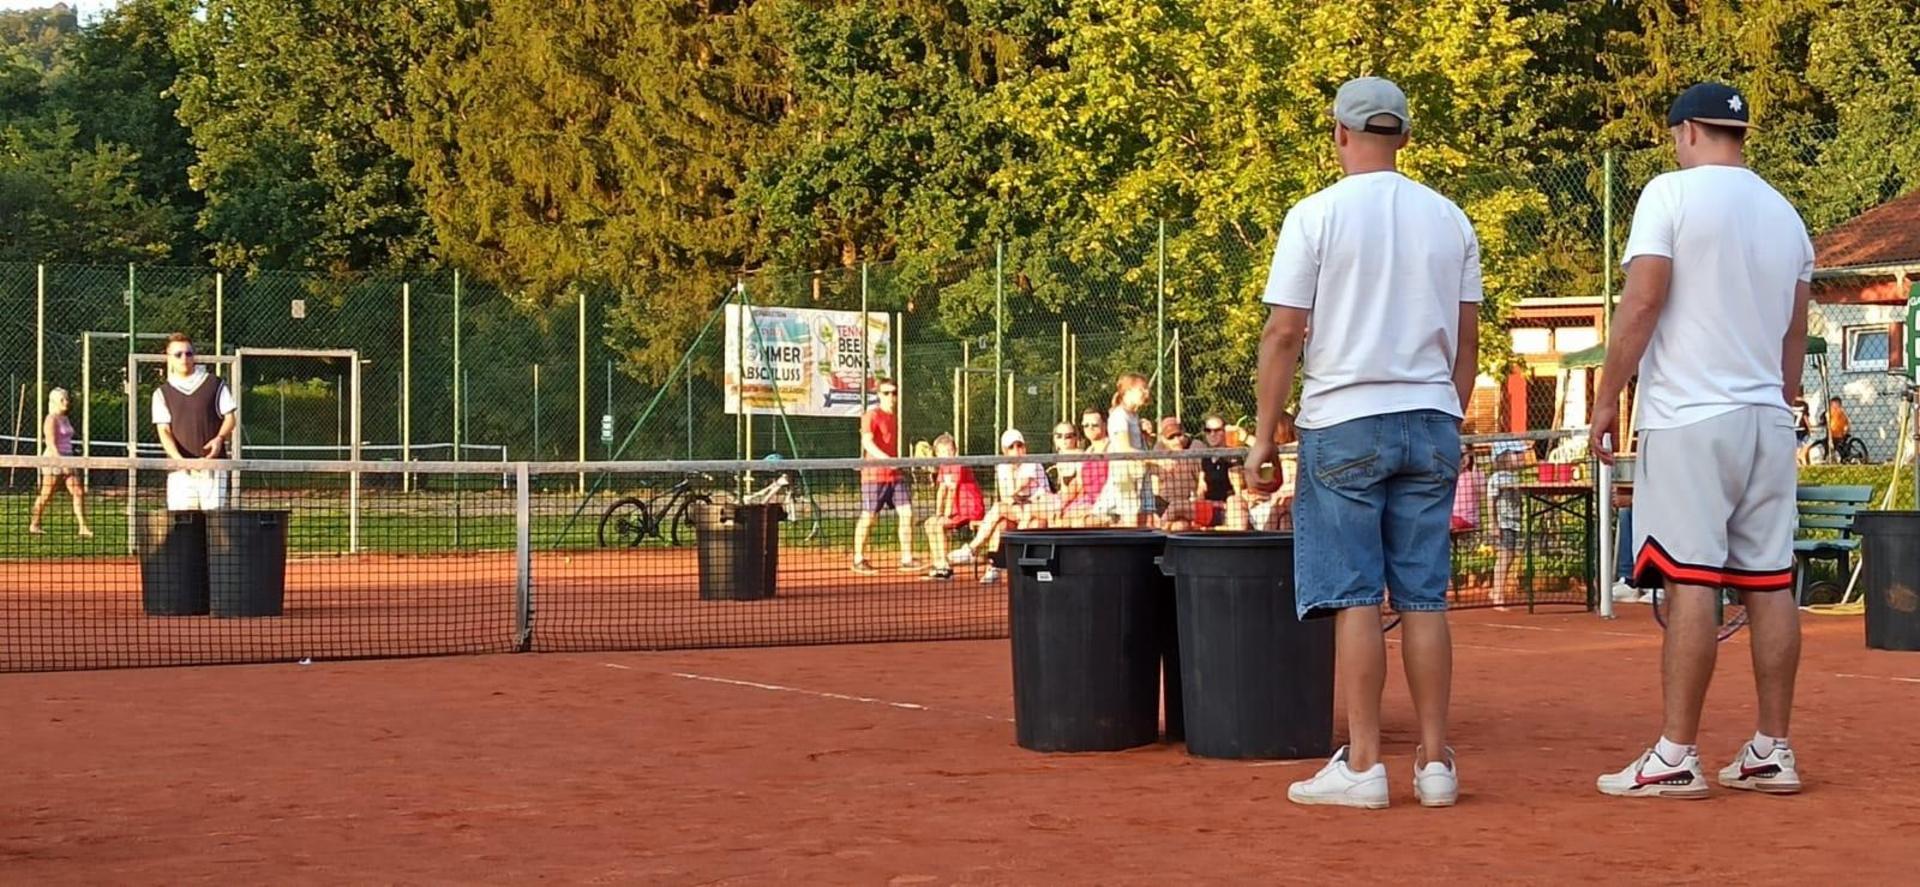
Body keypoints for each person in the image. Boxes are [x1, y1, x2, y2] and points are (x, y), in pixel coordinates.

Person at [1245, 77, 1481, 809]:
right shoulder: (1451, 219)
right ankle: (1437, 764)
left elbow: (1285, 333)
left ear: (1340, 133)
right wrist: (1447, 412)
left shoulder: (1313, 215)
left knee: (1354, 595)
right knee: (1424, 597)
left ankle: (1367, 763)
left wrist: (1262, 440)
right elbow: (1467, 343)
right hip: (1431, 418)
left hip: (1344, 418)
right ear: (1404, 137)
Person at [1589, 83, 1813, 799]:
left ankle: (1676, 753)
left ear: (1687, 132)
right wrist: (1779, 401)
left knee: (1692, 576)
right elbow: (1795, 333)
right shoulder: (1787, 214)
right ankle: (1772, 749)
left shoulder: (1670, 194)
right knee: (1770, 581)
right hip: (1767, 419)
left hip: (1690, 414)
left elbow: (1644, 299)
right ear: (1738, 134)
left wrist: (1604, 398)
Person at [949, 429, 1052, 583]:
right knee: (1001, 524)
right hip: (1019, 510)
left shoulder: (1032, 463)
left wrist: (1012, 481)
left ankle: (973, 549)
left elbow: (1015, 489)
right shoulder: (1002, 467)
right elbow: (1007, 498)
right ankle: (993, 567)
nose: (1017, 451)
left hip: (1040, 509)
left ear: (1025, 447)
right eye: (1011, 448)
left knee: (1022, 519)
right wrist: (1009, 471)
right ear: (1004, 451)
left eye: (1020, 446)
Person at [152, 333, 237, 512]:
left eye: (188, 353)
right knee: (183, 527)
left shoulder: (215, 384)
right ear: (168, 358)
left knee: (216, 524)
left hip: (213, 468)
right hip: (180, 472)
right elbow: (164, 431)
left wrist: (219, 439)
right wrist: (179, 461)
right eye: (178, 354)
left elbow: (230, 418)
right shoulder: (161, 393)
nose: (184, 358)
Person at [852, 381, 917, 575]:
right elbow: (867, 443)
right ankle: (858, 558)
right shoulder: (871, 415)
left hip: (894, 476)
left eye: (894, 393)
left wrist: (894, 463)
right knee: (869, 517)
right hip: (874, 476)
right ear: (879, 395)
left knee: (907, 514)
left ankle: (906, 559)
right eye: (887, 393)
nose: (891, 397)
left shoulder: (894, 418)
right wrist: (887, 460)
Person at [28, 387, 92, 537]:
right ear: (55, 402)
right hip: (53, 460)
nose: (66, 402)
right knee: (47, 494)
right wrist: (61, 464)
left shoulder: (65, 418)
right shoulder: (51, 419)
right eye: (62, 399)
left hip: (68, 457)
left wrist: (69, 459)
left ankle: (83, 527)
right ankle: (34, 524)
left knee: (78, 492)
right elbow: (51, 443)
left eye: (67, 399)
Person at [1091, 374, 1151, 527]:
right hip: (1124, 476)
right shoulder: (1119, 416)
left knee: (1143, 516)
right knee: (1129, 515)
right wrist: (1156, 459)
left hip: (1138, 473)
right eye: (1141, 389)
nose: (1146, 393)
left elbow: (1138, 446)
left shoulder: (1135, 416)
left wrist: (1144, 434)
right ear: (1128, 391)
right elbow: (1125, 449)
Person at [922, 433, 985, 581]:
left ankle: (945, 568)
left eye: (950, 451)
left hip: (970, 508)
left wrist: (947, 513)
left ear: (955, 451)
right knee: (929, 523)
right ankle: (939, 563)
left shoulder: (959, 463)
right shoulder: (944, 467)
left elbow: (953, 489)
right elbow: (942, 490)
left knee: (939, 525)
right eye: (943, 452)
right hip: (957, 510)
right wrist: (938, 513)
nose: (947, 455)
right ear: (937, 454)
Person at [1485, 444, 1526, 607]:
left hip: (1514, 522)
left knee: (1509, 556)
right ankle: (1498, 595)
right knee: (1505, 556)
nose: (1521, 456)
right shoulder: (1497, 478)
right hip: (1504, 522)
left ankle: (1496, 590)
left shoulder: (1513, 477)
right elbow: (1491, 501)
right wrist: (1493, 523)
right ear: (1504, 457)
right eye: (1516, 453)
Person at [1055, 409, 1109, 526]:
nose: (1090, 428)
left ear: (1104, 425)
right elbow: (1078, 482)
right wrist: (1062, 505)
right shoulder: (1089, 452)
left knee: (1078, 523)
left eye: (1094, 424)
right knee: (1058, 521)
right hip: (1086, 502)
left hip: (1105, 504)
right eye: (1085, 425)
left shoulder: (1113, 448)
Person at [1150, 416, 1200, 531]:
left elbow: (1203, 484)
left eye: (1179, 435)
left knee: (1181, 526)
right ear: (1163, 439)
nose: (1177, 441)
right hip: (1164, 505)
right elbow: (1154, 486)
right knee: (1176, 526)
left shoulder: (1196, 447)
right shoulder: (1158, 450)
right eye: (1171, 438)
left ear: (1183, 432)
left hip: (1189, 504)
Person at [1196, 414, 1241, 528]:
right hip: (1208, 507)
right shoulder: (1205, 457)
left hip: (1227, 509)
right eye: (1208, 430)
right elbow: (1201, 488)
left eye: (1217, 430)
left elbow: (1238, 491)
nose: (1212, 434)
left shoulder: (1233, 457)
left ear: (1225, 431)